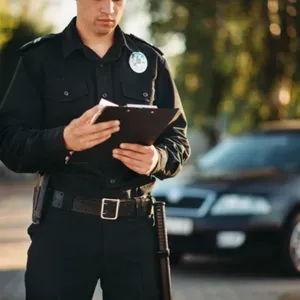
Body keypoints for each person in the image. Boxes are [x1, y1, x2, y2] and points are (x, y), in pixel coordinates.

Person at [0, 0, 190, 299]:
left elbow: (177, 139)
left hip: (136, 229)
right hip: (64, 229)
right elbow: (9, 143)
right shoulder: (40, 59)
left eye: (117, 0)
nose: (109, 8)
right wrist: (63, 139)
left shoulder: (150, 60)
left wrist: (157, 158)